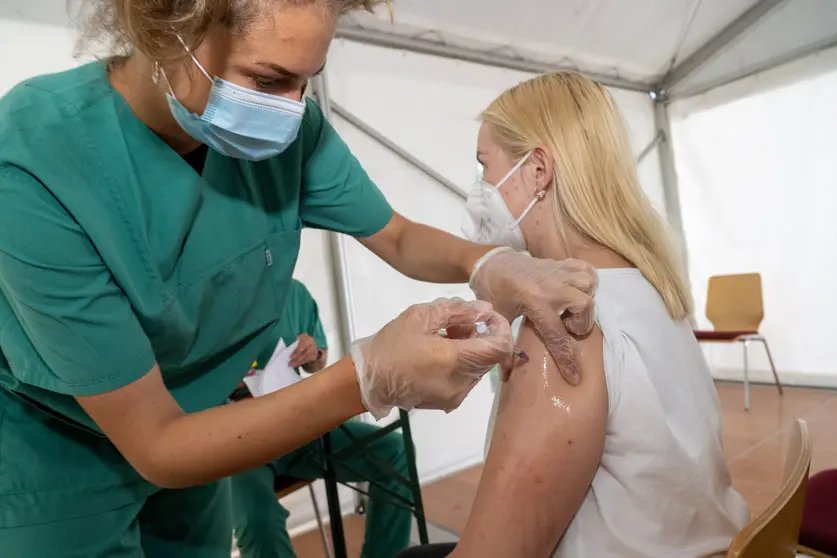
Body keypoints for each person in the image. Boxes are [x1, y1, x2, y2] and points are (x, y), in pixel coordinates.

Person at [0, 1, 599, 556]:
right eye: (269, 80)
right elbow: (156, 443)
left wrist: (488, 263)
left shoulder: (290, 130)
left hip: (212, 427)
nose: (292, 107)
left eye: (308, 78)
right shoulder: (36, 163)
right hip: (60, 454)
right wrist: (367, 377)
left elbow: (393, 234)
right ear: (168, 30)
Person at [399, 72, 750, 558]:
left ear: (538, 169)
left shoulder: (561, 320)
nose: (480, 188)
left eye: (485, 167)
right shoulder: (650, 282)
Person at [230, 279, 412, 558]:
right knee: (258, 520)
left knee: (393, 452)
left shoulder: (293, 291)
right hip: (239, 441)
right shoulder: (207, 301)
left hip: (299, 425)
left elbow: (319, 362)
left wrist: (312, 351)